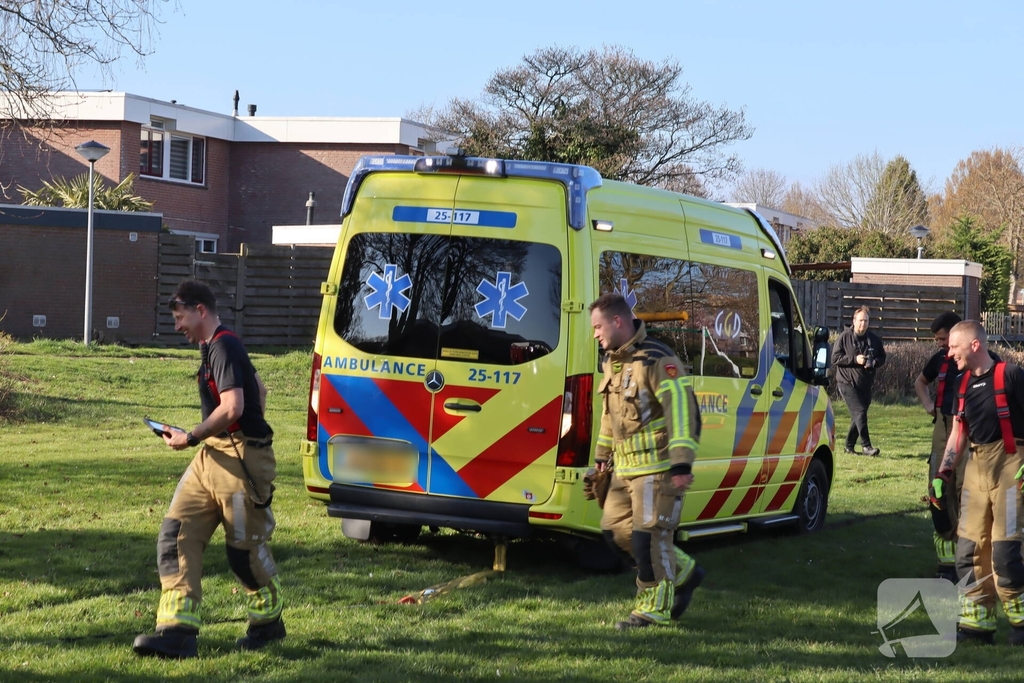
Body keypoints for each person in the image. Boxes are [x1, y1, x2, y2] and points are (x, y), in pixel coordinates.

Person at [133, 279, 285, 659]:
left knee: (243, 554)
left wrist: (194, 436)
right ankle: (176, 632)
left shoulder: (224, 344)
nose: (176, 325)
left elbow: (233, 406)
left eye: (179, 316)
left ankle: (268, 624)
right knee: (175, 534)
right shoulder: (212, 348)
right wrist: (212, 436)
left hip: (237, 462)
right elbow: (259, 391)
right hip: (213, 455)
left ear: (200, 310)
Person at [589, 292, 705, 630]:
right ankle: (683, 571)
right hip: (623, 470)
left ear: (618, 321)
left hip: (658, 469)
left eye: (598, 327)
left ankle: (652, 610)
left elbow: (682, 411)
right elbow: (611, 417)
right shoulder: (611, 361)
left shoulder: (657, 359)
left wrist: (681, 463)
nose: (595, 334)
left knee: (648, 539)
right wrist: (601, 457)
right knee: (614, 531)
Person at [934, 320, 1024, 645]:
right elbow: (959, 432)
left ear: (974, 345)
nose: (949, 352)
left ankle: (1021, 625)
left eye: (953, 347)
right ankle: (977, 625)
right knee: (967, 551)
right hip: (976, 465)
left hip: (1011, 466)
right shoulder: (961, 383)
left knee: (1005, 551)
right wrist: (943, 473)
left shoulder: (1011, 376)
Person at [915, 312, 1000, 582]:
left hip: (972, 433)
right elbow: (921, 382)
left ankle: (974, 563)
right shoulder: (940, 361)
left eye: (948, 342)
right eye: (943, 343)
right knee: (939, 492)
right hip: (946, 427)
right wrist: (930, 407)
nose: (945, 348)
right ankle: (947, 563)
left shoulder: (995, 368)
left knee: (968, 493)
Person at [832, 305, 886, 456]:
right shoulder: (844, 337)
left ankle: (849, 447)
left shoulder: (873, 340)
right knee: (860, 413)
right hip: (846, 382)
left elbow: (882, 357)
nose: (863, 324)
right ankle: (866, 446)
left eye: (866, 321)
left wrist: (874, 362)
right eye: (861, 320)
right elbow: (835, 359)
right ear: (854, 321)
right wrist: (855, 359)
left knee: (858, 416)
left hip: (866, 383)